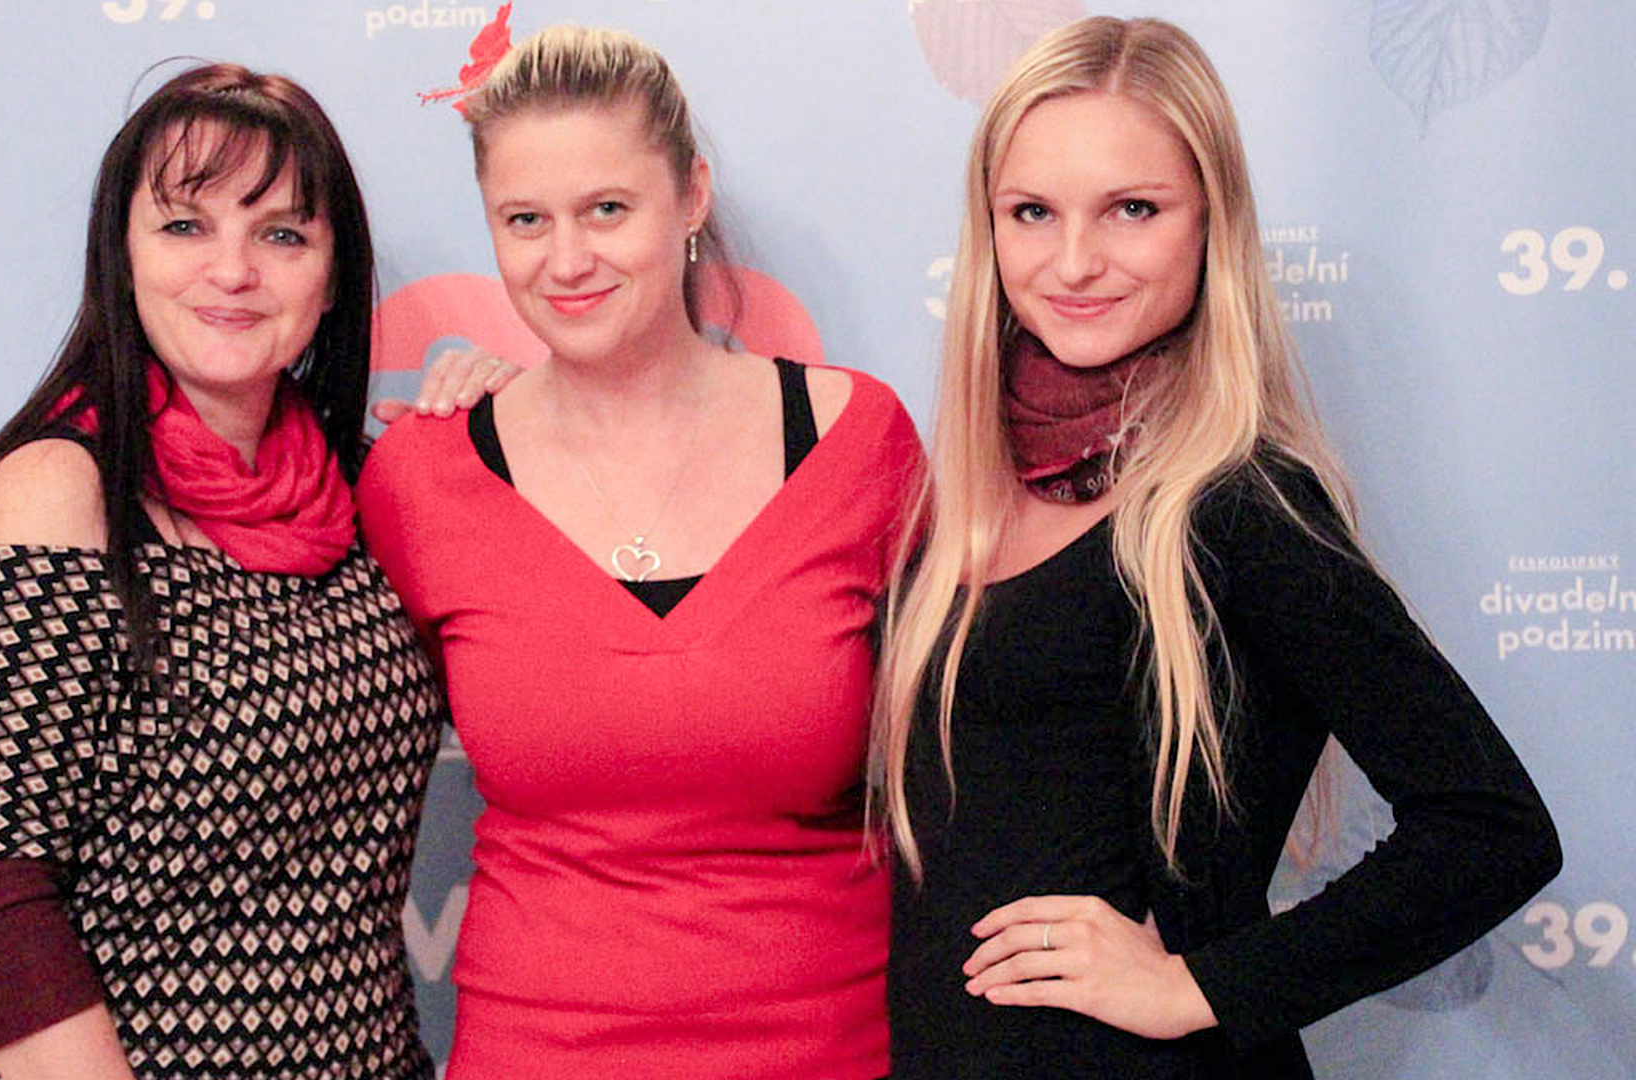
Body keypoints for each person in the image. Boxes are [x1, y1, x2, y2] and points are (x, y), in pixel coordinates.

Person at [872, 16, 1561, 1079]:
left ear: (1211, 222)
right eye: (1032, 212)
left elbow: (1490, 828)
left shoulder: (1240, 504)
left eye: (1133, 209)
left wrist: (1200, 986)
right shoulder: (960, 500)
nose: (1074, 261)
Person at [356, 25, 923, 1080]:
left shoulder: (861, 443)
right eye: (526, 220)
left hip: (828, 1051)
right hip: (535, 1053)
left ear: (691, 195)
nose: (567, 260)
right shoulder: (423, 476)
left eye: (608, 209)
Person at [0, 64, 444, 1080]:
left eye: (281, 234)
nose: (232, 271)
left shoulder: (361, 492)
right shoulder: (58, 491)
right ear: (122, 257)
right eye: (185, 226)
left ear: (334, 276)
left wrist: (510, 424)